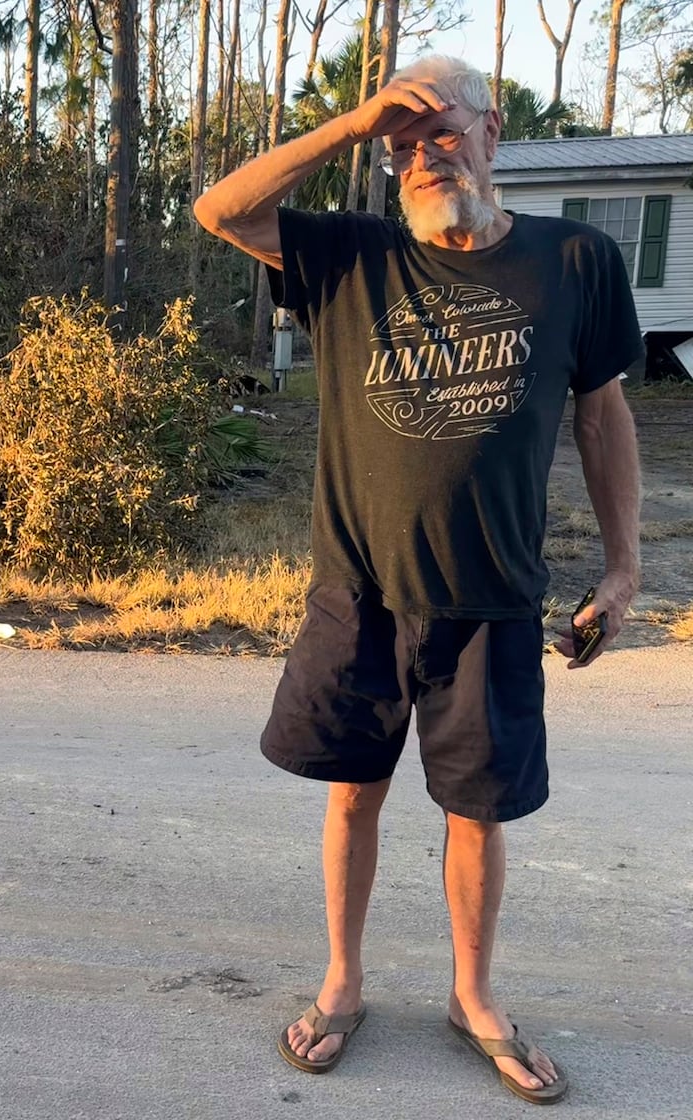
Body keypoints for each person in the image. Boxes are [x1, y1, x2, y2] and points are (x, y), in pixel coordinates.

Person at [194, 54, 643, 1105]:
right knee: (354, 792)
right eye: (402, 144)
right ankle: (343, 981)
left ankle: (472, 996)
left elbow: (602, 414)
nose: (420, 154)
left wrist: (623, 568)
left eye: (439, 131)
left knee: (475, 810)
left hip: (491, 597)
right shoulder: (349, 257)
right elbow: (221, 207)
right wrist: (351, 123)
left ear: (493, 134)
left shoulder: (573, 259)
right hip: (359, 595)